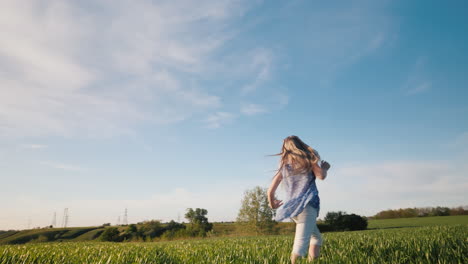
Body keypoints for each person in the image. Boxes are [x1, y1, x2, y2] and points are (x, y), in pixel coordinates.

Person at [268, 135, 331, 263]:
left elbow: (270, 190)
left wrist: (272, 203)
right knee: (300, 245)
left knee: (316, 238)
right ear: (300, 145)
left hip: (292, 208)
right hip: (307, 206)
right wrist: (324, 167)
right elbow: (321, 176)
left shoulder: (285, 166)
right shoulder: (308, 160)